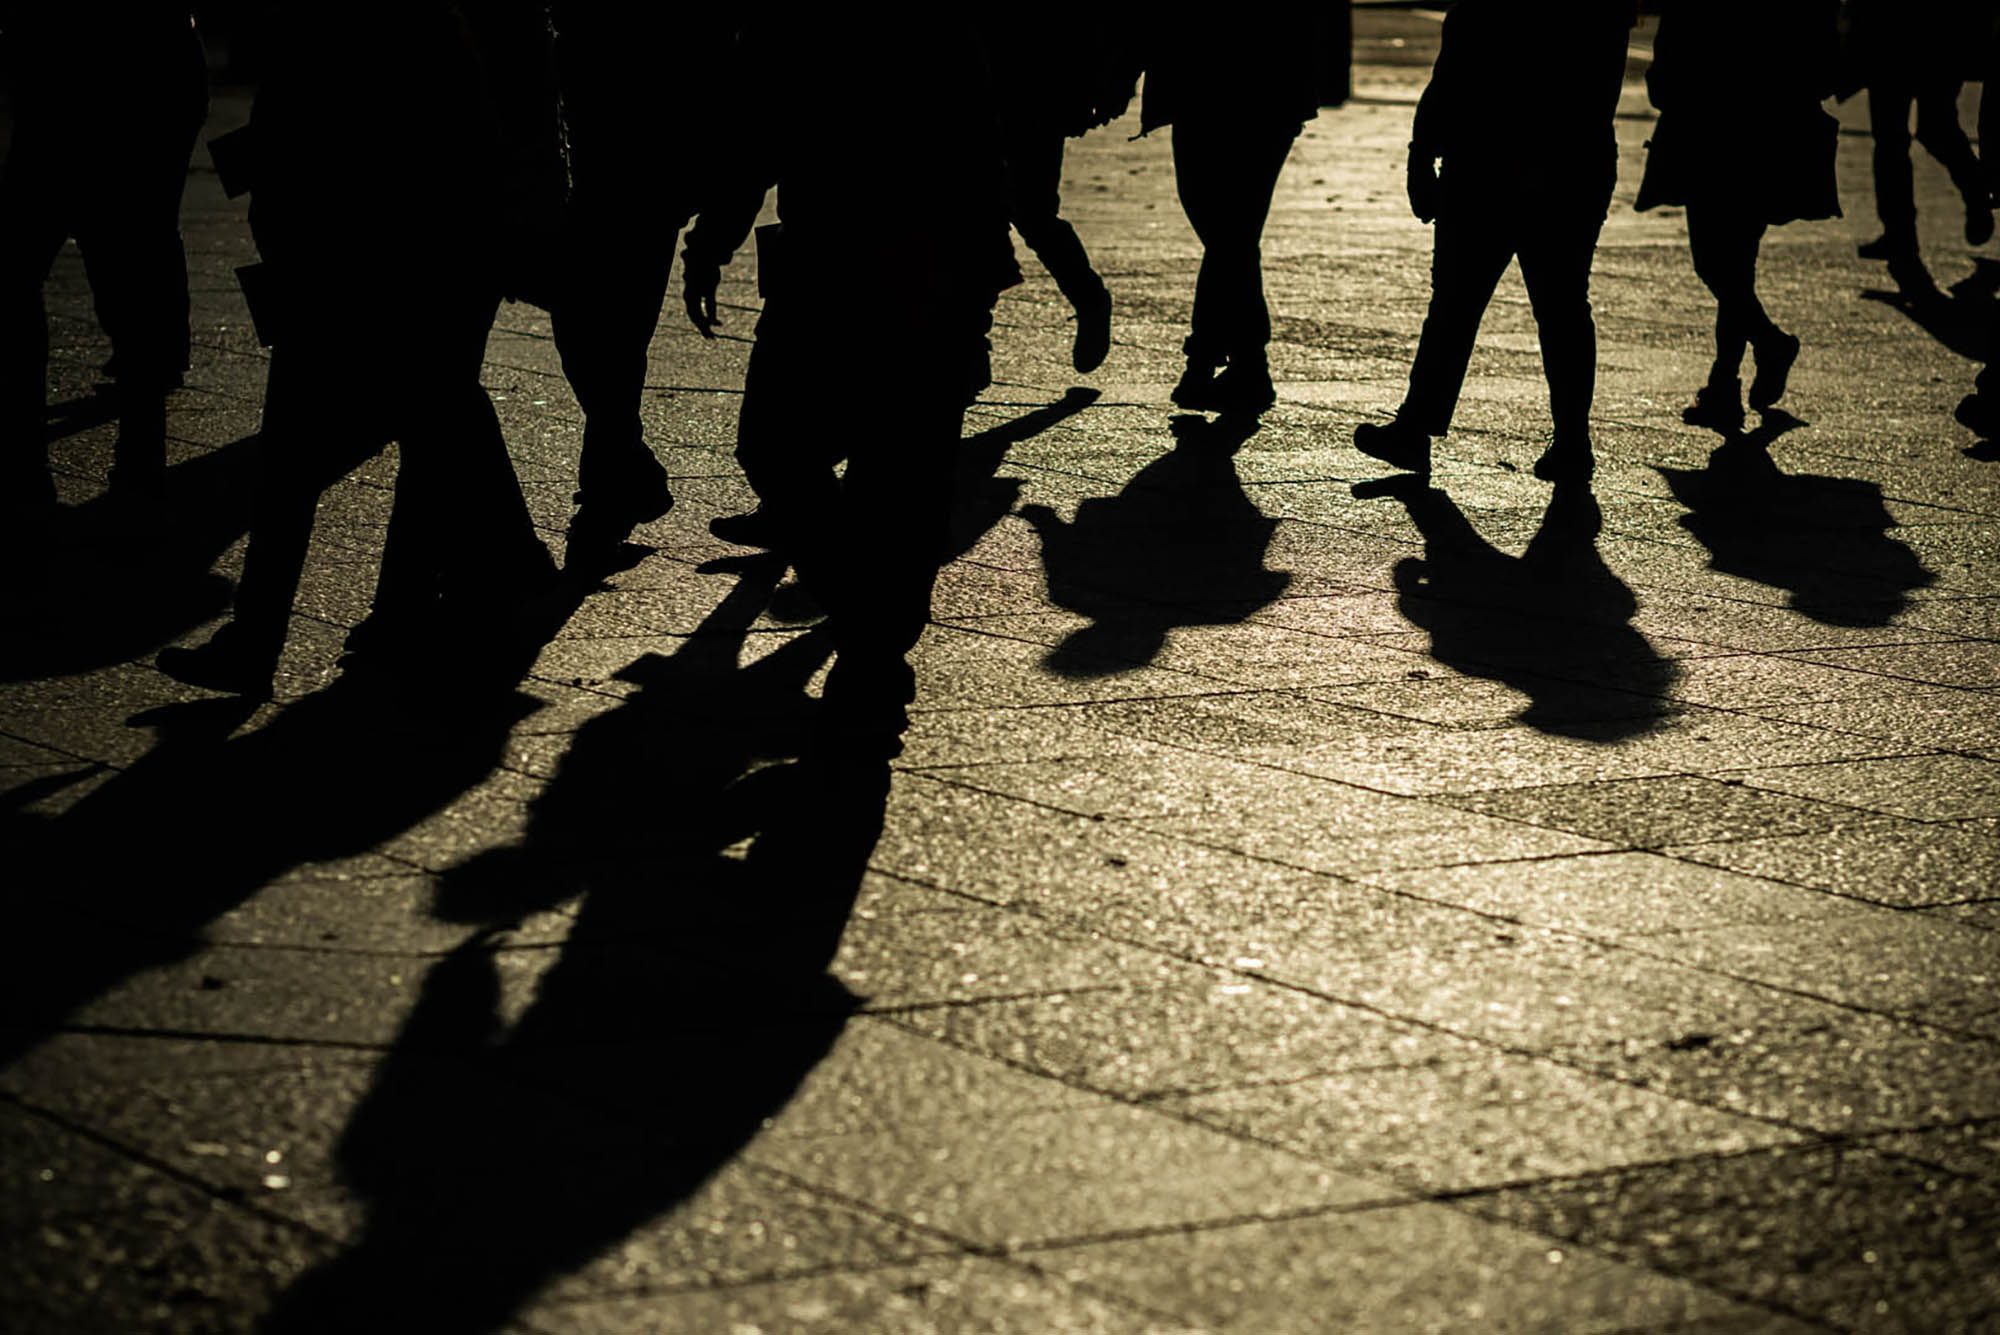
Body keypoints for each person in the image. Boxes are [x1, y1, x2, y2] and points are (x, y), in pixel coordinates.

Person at [157, 3, 556, 698]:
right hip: (386, 258)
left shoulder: (385, 28)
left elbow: (331, 123)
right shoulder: (417, 29)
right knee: (426, 423)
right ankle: (429, 597)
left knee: (323, 451)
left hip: (357, 265)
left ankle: (273, 638)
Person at [685, 16, 1021, 752]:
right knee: (895, 470)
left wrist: (713, 239)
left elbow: (753, 135)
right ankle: (876, 639)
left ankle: (872, 639)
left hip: (849, 266)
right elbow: (981, 138)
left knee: (800, 451)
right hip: (905, 266)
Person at [1352, 0, 1633, 483]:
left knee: (1463, 304)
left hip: (1493, 165)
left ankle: (1420, 428)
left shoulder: (1492, 4)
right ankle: (1569, 442)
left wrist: (1422, 155)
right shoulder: (1595, 9)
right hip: (1560, 168)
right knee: (1557, 306)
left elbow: (1451, 78)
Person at [547, 9, 741, 556]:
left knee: (609, 337)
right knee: (587, 335)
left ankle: (611, 487)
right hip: (587, 176)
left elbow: (718, 69)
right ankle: (625, 469)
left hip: (645, 179)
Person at [0, 10, 208, 513]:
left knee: (27, 272)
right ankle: (139, 461)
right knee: (134, 267)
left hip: (84, 80)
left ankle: (37, 467)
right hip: (143, 70)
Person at [1638, 0, 1841, 434]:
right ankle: (1727, 378)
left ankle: (1755, 357)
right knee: (1733, 264)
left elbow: (1673, 47)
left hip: (1712, 127)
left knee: (1715, 263)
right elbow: (1825, 65)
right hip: (1769, 130)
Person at [1145, 21, 1320, 417]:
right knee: (1230, 234)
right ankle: (1243, 364)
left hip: (1244, 88)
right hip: (1227, 87)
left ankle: (1217, 362)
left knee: (1228, 234)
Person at [980, 16, 1140, 375]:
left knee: (1029, 209)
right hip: (1002, 79)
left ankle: (1088, 296)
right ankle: (971, 343)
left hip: (1034, 90)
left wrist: (1112, 83)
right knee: (994, 211)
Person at [1848, 0, 1991, 263]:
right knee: (1934, 127)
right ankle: (1975, 191)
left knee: (1894, 137)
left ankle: (1900, 232)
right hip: (1939, 32)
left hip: (1897, 32)